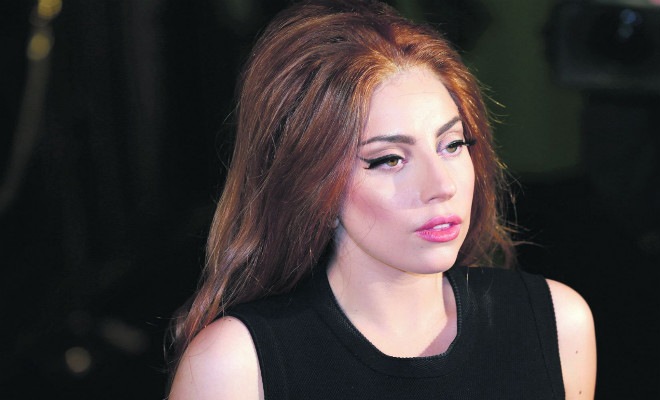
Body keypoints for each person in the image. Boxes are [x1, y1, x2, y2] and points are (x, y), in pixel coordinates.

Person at [167, 0, 597, 398]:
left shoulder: (557, 324)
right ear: (310, 183)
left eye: (452, 145)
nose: (441, 185)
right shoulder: (236, 365)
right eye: (390, 159)